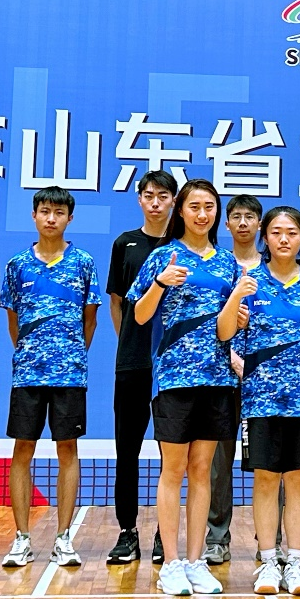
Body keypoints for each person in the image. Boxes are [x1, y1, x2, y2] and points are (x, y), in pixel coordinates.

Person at [128, 178, 241, 596]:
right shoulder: (163, 256)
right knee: (173, 470)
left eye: (209, 207)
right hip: (174, 379)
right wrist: (160, 283)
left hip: (217, 379)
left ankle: (195, 562)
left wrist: (239, 317)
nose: (202, 214)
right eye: (194, 206)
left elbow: (230, 325)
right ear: (181, 210)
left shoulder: (228, 263)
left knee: (202, 471)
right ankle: (171, 564)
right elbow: (140, 316)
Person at [218, 206, 300, 596]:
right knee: (265, 480)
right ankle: (267, 560)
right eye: (277, 232)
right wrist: (236, 301)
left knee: (299, 480)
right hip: (260, 400)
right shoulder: (248, 281)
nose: (284, 239)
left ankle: (295, 562)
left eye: (292, 233)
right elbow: (225, 333)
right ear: (265, 237)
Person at [0, 187, 101, 568]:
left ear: (69, 218)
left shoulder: (83, 262)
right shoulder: (17, 265)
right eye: (45, 211)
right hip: (27, 374)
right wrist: (33, 353)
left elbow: (89, 321)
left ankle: (63, 538)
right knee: (22, 450)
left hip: (70, 374)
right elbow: (14, 322)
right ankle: (22, 538)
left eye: (59, 212)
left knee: (67, 450)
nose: (51, 218)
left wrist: (69, 355)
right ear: (34, 215)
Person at [105, 170, 177, 565]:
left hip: (174, 366)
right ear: (139, 199)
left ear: (173, 201)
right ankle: (127, 532)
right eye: (149, 195)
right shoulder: (125, 244)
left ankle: (166, 535)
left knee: (173, 457)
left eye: (163, 196)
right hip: (132, 364)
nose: (155, 202)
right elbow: (117, 302)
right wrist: (131, 343)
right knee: (127, 451)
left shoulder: (182, 246)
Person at [202, 193, 260, 566]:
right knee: (217, 463)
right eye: (235, 216)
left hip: (264, 380)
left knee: (268, 463)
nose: (242, 222)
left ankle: (270, 540)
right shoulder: (218, 266)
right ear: (226, 223)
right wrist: (232, 358)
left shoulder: (273, 268)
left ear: (259, 224)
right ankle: (216, 538)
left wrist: (253, 362)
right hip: (220, 376)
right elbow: (207, 321)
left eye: (249, 216)